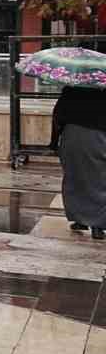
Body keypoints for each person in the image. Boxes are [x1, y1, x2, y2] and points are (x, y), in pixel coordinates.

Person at [54, 86, 106, 240]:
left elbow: (58, 115)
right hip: (100, 138)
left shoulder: (72, 88)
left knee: (74, 178)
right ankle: (98, 226)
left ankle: (79, 220)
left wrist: (53, 141)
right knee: (100, 180)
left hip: (72, 137)